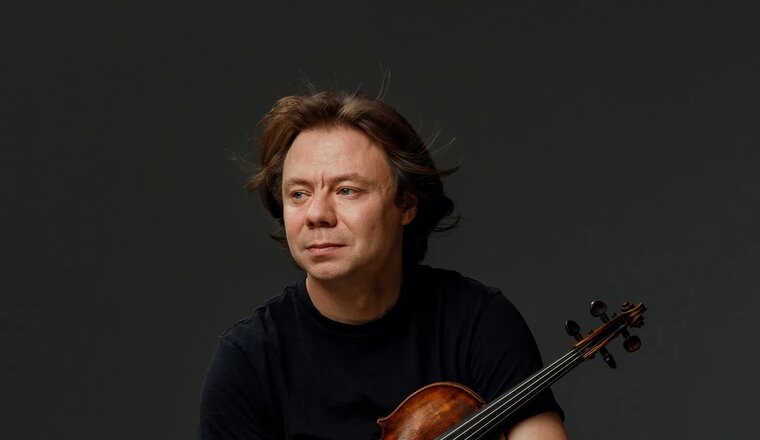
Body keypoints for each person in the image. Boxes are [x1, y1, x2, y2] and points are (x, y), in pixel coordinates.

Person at [197, 90, 568, 439]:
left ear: (406, 205)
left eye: (346, 190)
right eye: (298, 194)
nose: (316, 214)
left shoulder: (479, 323)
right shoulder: (248, 359)